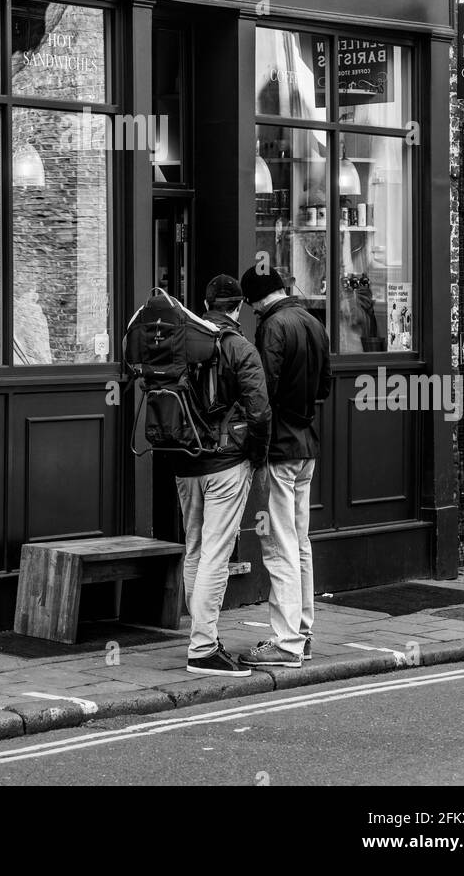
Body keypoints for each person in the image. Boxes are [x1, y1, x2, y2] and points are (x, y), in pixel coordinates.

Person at [171, 274, 272, 676]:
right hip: (226, 463)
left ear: (207, 302)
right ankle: (203, 648)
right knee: (215, 552)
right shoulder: (239, 347)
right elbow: (260, 411)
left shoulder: (180, 342)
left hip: (184, 460)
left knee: (194, 549)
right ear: (238, 306)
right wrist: (258, 459)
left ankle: (201, 638)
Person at [237, 266, 332, 669]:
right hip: (307, 445)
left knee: (279, 544)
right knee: (301, 541)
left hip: (280, 448)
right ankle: (303, 632)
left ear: (256, 299)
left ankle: (287, 642)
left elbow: (264, 391)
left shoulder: (272, 326)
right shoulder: (313, 322)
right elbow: (325, 387)